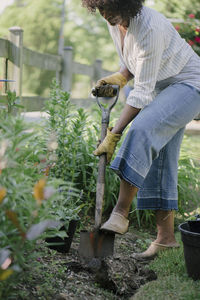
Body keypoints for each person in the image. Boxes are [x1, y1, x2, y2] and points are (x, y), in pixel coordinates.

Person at [81, 0, 200, 260]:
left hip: (188, 84)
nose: (107, 15)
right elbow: (137, 62)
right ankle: (166, 240)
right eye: (101, 10)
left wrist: (115, 133)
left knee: (142, 130)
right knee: (161, 161)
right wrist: (122, 75)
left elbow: (142, 94)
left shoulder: (150, 26)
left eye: (111, 8)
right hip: (161, 87)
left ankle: (120, 213)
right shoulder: (115, 23)